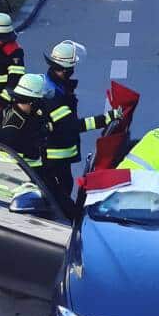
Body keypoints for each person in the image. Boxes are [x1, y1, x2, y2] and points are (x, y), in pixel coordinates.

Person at [44, 40, 123, 208]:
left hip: (57, 154)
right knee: (60, 194)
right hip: (55, 155)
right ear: (65, 69)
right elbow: (72, 126)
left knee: (63, 188)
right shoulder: (55, 95)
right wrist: (106, 119)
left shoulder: (54, 85)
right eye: (71, 67)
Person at [0, 73, 51, 187]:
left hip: (37, 174)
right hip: (24, 185)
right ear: (32, 101)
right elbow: (11, 171)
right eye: (39, 99)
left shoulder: (28, 115)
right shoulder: (12, 129)